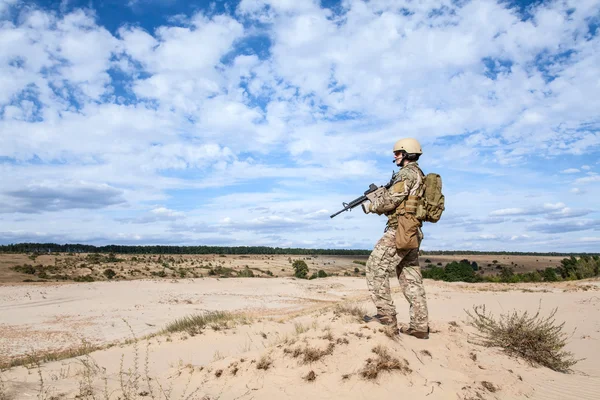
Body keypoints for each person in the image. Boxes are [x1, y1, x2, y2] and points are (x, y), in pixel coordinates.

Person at [361, 138, 430, 339]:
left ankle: (386, 316)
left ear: (407, 154)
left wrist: (371, 206)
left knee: (375, 268)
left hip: (399, 230)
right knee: (410, 277)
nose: (395, 156)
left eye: (398, 153)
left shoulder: (407, 174)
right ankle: (419, 326)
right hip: (413, 231)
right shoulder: (419, 174)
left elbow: (391, 201)